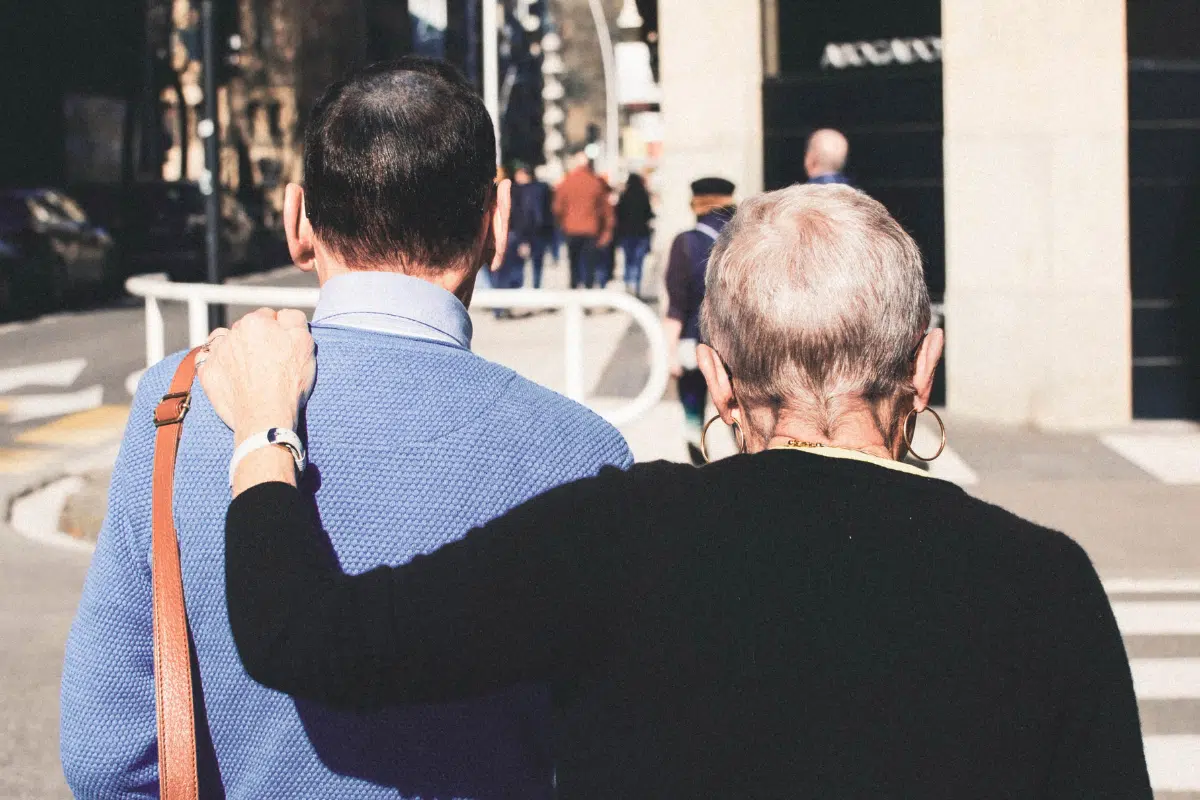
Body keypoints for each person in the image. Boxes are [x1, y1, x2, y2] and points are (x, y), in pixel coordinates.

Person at [205, 183, 1152, 799]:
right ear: (926, 365)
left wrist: (265, 429)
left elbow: (314, 641)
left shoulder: (617, 535)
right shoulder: (1044, 583)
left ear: (714, 375)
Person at [59, 57, 632, 799]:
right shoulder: (583, 454)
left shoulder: (178, 406)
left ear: (298, 220)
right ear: (494, 224)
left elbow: (107, 756)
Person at [663, 176, 736, 464]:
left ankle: (701, 467)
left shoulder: (686, 243)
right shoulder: (744, 241)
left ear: (696, 205)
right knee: (740, 414)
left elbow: (676, 305)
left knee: (693, 415)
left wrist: (668, 353)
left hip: (695, 344)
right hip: (737, 346)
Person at [554, 150, 613, 289]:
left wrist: (562, 223)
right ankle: (588, 290)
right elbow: (606, 210)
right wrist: (606, 230)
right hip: (591, 229)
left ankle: (574, 288)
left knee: (573, 263)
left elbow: (557, 207)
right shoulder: (595, 182)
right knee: (589, 264)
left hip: (571, 229)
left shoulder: (566, 182)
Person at [499, 163, 554, 291]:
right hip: (540, 232)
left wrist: (523, 238)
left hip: (523, 232)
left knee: (518, 265)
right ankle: (535, 287)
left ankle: (517, 289)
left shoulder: (518, 191)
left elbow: (522, 215)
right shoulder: (541, 189)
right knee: (537, 264)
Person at [615, 173, 654, 297]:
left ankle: (627, 286)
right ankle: (636, 287)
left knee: (628, 260)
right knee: (638, 261)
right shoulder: (643, 195)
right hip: (641, 233)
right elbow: (648, 213)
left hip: (626, 233)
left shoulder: (624, 196)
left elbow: (618, 214)